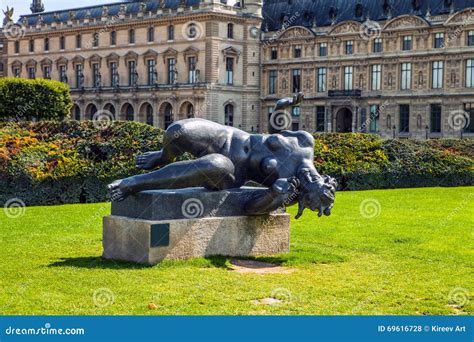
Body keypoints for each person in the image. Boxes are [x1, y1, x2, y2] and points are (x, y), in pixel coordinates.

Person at [108, 118, 336, 219]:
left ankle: (135, 183)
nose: (306, 180)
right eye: (313, 182)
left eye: (306, 189)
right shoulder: (306, 142)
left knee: (213, 165)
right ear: (324, 179)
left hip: (233, 170)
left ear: (304, 198)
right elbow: (275, 127)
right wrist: (284, 106)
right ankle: (163, 156)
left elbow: (251, 209)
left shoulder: (289, 193)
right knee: (178, 130)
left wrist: (274, 194)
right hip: (229, 137)